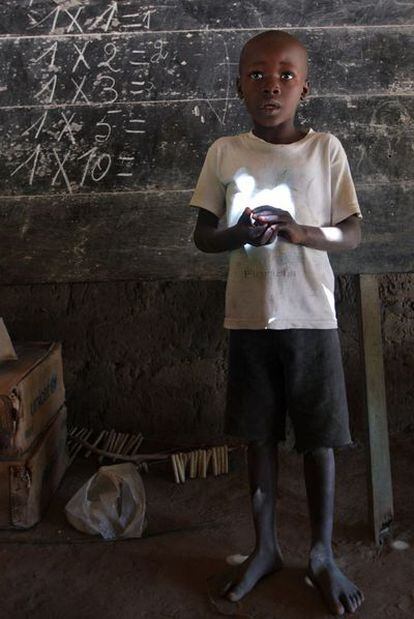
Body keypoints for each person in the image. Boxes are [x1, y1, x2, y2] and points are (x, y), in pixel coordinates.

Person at [190, 30, 364, 616]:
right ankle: (264, 548)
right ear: (238, 84)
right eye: (258, 75)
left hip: (312, 318)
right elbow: (203, 236)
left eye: (286, 75)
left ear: (305, 86)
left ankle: (321, 554)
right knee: (257, 436)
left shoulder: (326, 151)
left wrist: (300, 231)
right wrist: (242, 232)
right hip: (249, 320)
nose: (272, 86)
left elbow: (351, 233)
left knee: (319, 439)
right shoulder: (224, 152)